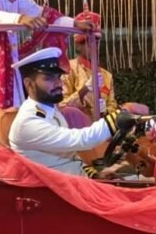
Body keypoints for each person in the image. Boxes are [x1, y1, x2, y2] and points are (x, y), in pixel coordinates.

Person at [9, 47, 134, 178]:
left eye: (58, 77)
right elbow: (82, 139)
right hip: (56, 186)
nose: (58, 83)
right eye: (49, 78)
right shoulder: (28, 122)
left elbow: (68, 156)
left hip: (73, 180)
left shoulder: (50, 110)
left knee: (134, 176)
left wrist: (93, 174)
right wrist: (121, 116)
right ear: (29, 84)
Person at [61, 34, 118, 117]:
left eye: (96, 43)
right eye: (90, 43)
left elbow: (112, 105)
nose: (94, 47)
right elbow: (62, 105)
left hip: (101, 123)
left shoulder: (107, 75)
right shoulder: (69, 68)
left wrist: (106, 111)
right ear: (78, 46)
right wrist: (85, 90)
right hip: (77, 123)